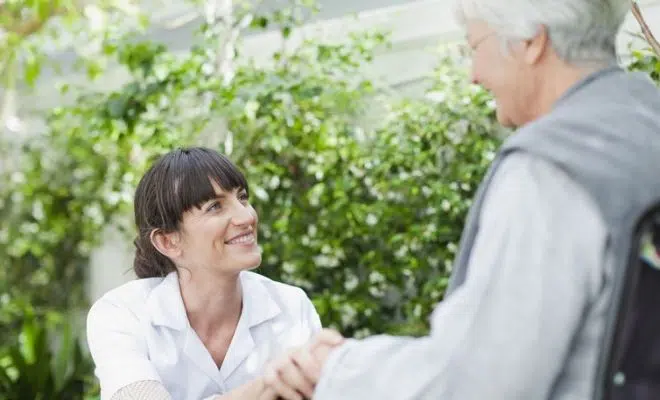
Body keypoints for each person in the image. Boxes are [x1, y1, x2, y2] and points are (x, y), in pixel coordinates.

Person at [260, 0, 660, 399]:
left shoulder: (551, 168)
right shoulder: (646, 119)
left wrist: (336, 368)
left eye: (474, 48)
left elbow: (479, 382)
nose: (474, 76)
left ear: (531, 42)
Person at [86, 147, 328, 400]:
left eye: (242, 198)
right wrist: (270, 384)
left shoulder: (291, 306)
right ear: (169, 242)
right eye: (215, 207)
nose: (246, 216)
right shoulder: (121, 313)